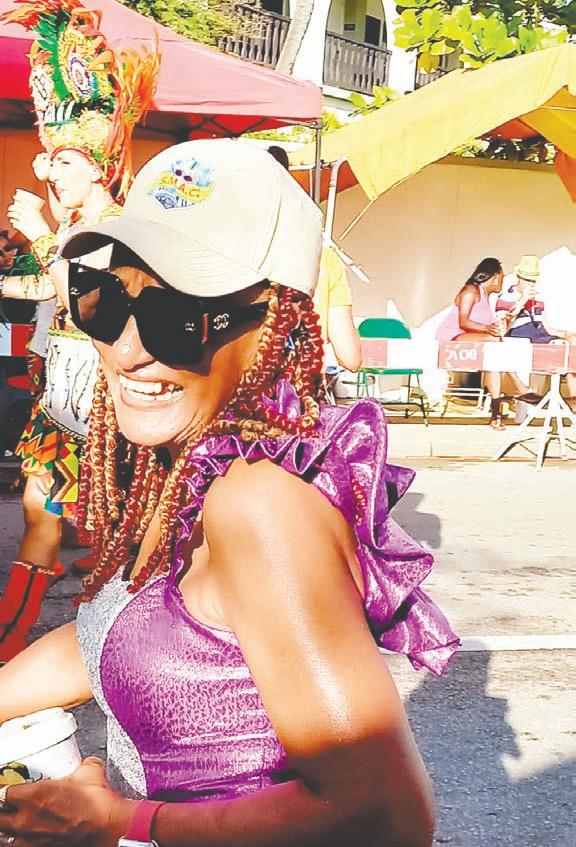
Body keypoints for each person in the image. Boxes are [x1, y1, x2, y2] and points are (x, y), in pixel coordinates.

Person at [0, 140, 458, 847]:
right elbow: (121, 634)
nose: (128, 351)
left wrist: (121, 821)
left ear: (273, 328)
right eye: (106, 301)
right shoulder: (184, 460)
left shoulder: (259, 503)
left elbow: (385, 818)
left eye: (178, 320)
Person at [0, 0, 158, 663]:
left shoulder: (119, 228)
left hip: (109, 406)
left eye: (63, 162)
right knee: (41, 515)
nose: (49, 172)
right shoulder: (72, 228)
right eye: (49, 161)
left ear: (97, 166)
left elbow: (91, 304)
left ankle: (119, 642)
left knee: (116, 531)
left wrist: (43, 237)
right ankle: (16, 640)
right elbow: (44, 292)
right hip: (62, 404)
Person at [267, 146, 361, 373]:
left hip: (248, 385)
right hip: (303, 384)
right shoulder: (326, 259)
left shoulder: (239, 254)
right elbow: (350, 358)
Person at [435, 258, 534, 429]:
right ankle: (519, 386)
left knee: (493, 361)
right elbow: (463, 322)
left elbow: (488, 328)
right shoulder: (470, 291)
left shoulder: (486, 297)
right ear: (494, 278)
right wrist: (488, 329)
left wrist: (500, 323)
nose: (502, 282)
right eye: (501, 278)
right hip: (452, 337)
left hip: (470, 338)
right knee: (494, 342)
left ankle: (496, 415)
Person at [496, 254, 576, 410]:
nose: (530, 284)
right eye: (527, 280)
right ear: (518, 277)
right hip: (519, 336)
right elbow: (503, 326)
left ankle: (574, 400)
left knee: (573, 343)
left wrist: (566, 334)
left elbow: (545, 326)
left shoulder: (538, 298)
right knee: (566, 351)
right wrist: (522, 301)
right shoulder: (507, 296)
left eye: (533, 281)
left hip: (539, 335)